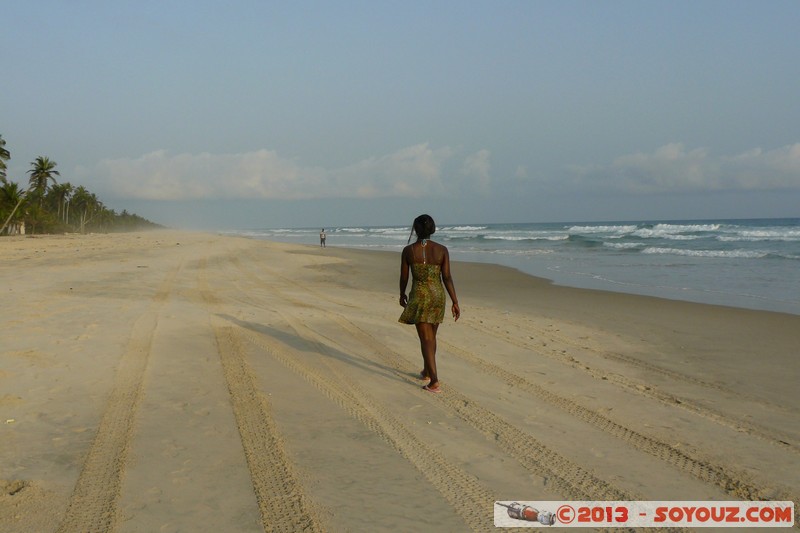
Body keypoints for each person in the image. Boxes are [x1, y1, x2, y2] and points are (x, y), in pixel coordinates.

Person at [398, 214, 460, 393]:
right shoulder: (442, 250)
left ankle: (434, 381)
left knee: (426, 339)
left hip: (420, 296)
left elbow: (404, 277)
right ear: (432, 229)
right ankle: (426, 370)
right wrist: (455, 301)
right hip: (438, 296)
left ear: (416, 229)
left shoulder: (409, 251)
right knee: (431, 337)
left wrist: (402, 294)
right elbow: (447, 277)